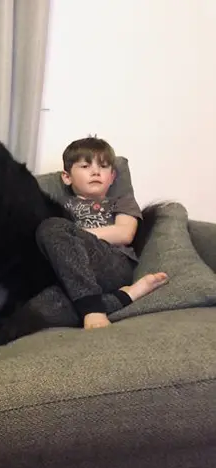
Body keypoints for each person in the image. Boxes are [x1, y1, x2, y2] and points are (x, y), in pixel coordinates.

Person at [36, 136, 168, 330]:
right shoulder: (60, 206)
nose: (96, 171)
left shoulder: (120, 201)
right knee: (40, 310)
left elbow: (124, 233)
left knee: (51, 227)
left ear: (112, 177)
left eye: (103, 166)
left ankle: (93, 310)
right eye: (85, 166)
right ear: (67, 177)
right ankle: (125, 297)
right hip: (72, 274)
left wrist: (72, 233)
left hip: (113, 263)